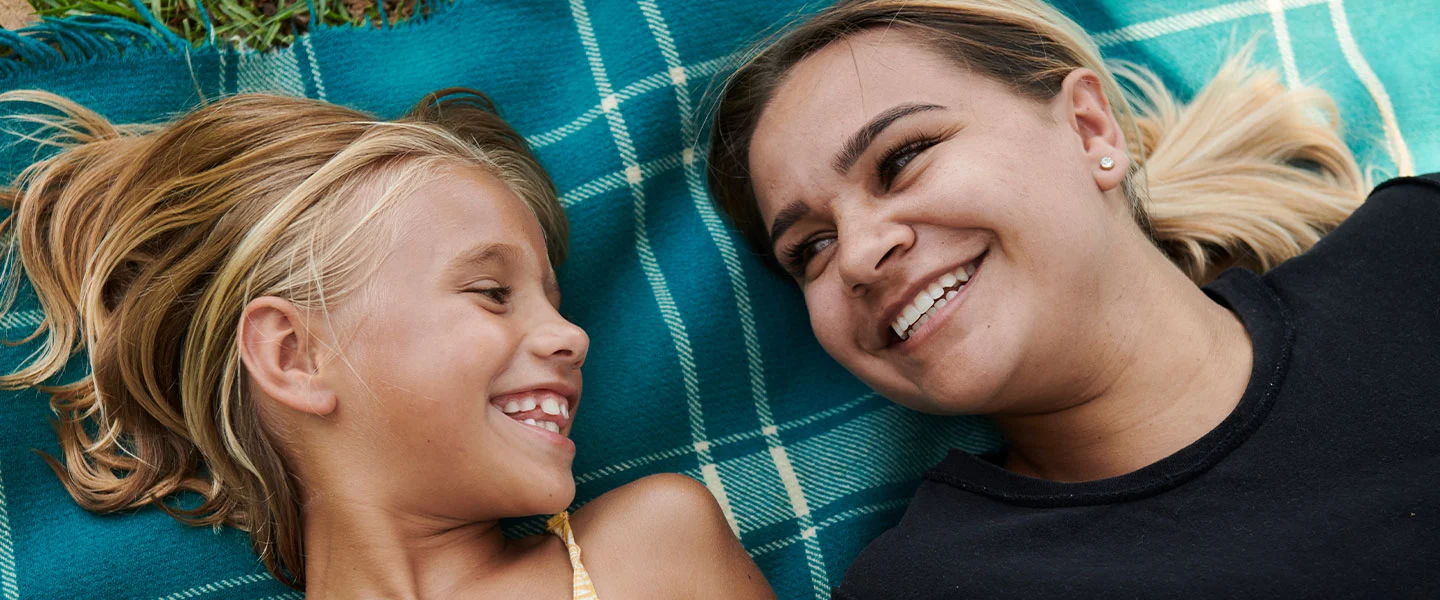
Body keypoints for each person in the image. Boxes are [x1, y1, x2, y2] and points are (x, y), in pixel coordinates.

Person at [707, 0, 1439, 597]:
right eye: (811, 248)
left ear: (1090, 129)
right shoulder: (931, 586)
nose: (862, 254)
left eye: (901, 158)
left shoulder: (1417, 253)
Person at [0, 88, 774, 599]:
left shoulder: (651, 554)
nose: (571, 334)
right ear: (293, 358)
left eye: (554, 298)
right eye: (492, 293)